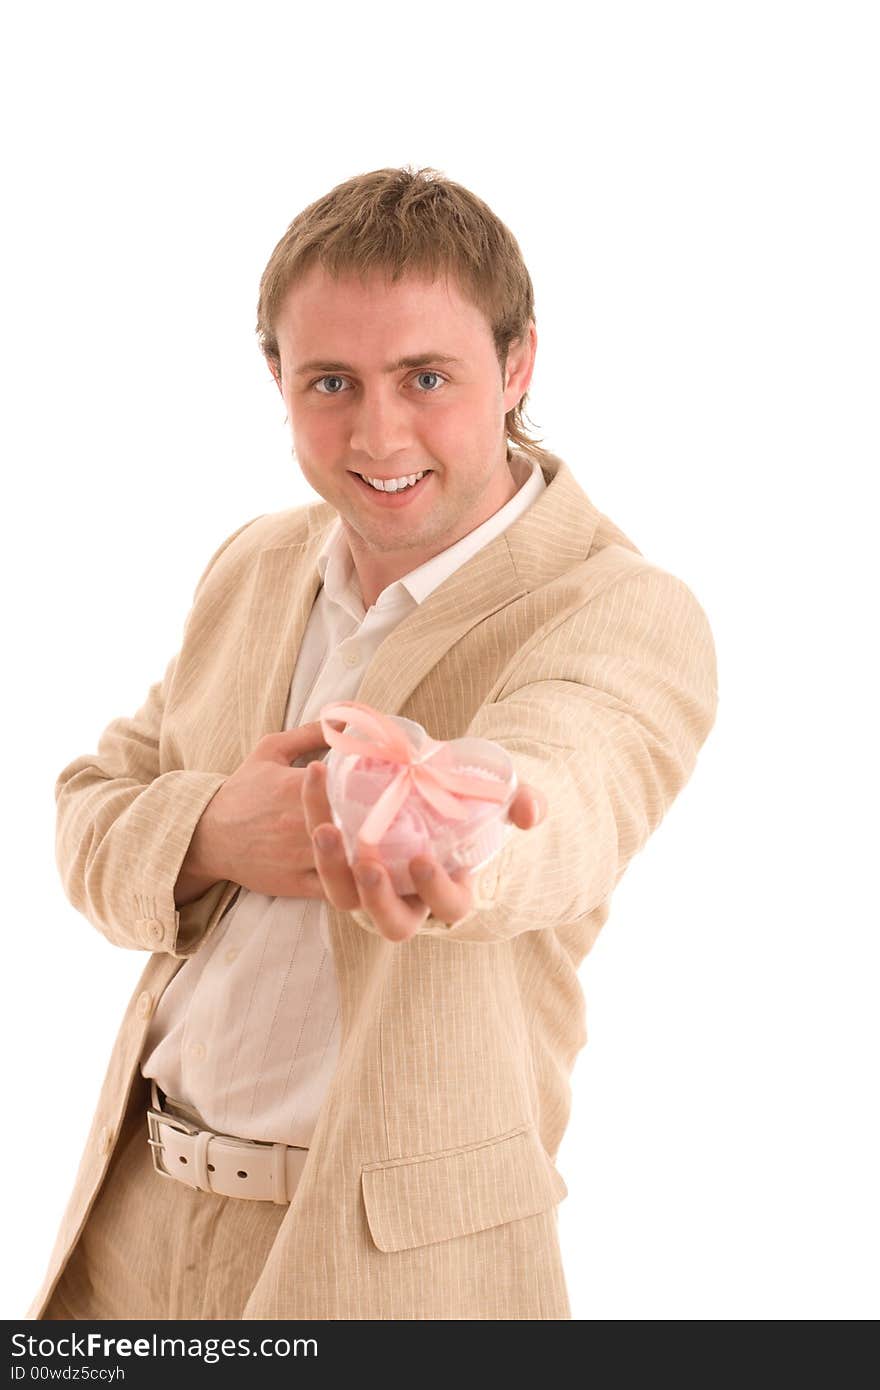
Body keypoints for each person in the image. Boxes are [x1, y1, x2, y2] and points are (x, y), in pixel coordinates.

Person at [30, 164, 718, 1322]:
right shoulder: (253, 563)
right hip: (136, 1225)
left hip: (392, 1273)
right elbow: (91, 803)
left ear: (517, 367)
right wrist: (207, 831)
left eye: (426, 377)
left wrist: (465, 819)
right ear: (277, 380)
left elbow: (573, 787)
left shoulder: (617, 606)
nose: (377, 431)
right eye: (332, 382)